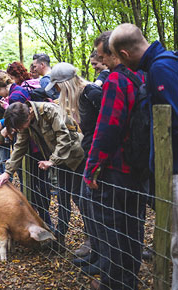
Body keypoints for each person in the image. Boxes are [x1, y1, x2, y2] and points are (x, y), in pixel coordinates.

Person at [108, 23, 176, 289]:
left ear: (123, 54)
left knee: (176, 246)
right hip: (167, 169)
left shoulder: (162, 68)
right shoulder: (157, 66)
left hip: (175, 169)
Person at [0, 101, 85, 248]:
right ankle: (59, 238)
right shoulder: (25, 122)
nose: (21, 129)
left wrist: (51, 161)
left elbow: (64, 137)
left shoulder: (49, 111)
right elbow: (20, 146)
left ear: (28, 115)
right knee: (63, 197)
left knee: (80, 197)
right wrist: (7, 172)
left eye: (21, 126)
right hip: (60, 161)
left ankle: (91, 238)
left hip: (76, 157)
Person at [45, 61, 99, 258]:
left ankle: (96, 244)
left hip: (96, 157)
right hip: (89, 154)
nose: (57, 91)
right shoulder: (77, 98)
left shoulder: (91, 93)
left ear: (65, 83)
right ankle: (94, 243)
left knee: (88, 201)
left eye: (58, 86)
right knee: (81, 198)